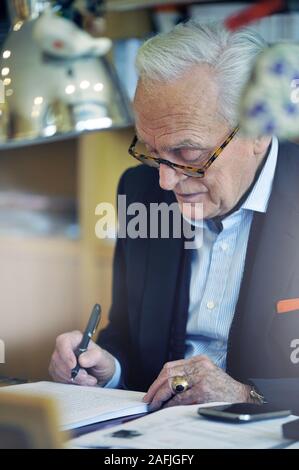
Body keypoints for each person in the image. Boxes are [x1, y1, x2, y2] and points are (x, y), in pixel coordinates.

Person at [49, 20, 299, 413]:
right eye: (150, 150)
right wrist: (107, 369)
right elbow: (129, 337)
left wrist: (245, 395)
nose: (165, 181)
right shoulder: (140, 191)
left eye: (189, 154)